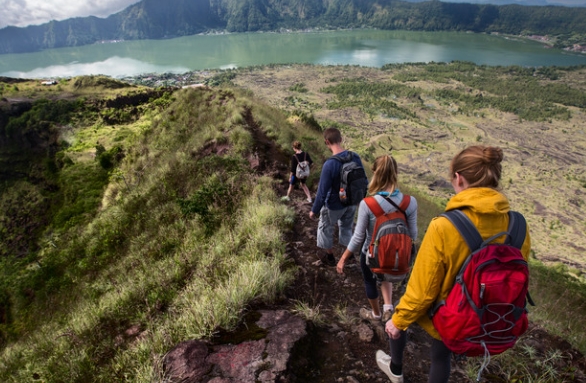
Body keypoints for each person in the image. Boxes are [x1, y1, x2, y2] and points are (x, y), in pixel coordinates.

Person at [376, 145, 531, 383]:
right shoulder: (518, 226)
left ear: (458, 178)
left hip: (451, 317)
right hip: (493, 318)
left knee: (409, 316)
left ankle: (395, 370)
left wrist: (398, 322)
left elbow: (422, 291)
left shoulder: (445, 226)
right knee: (441, 355)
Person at [336, 155, 418, 323]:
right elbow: (413, 235)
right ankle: (388, 307)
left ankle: (376, 314)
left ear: (375, 173)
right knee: (386, 273)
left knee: (370, 281)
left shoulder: (368, 203)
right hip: (396, 256)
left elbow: (358, 236)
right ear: (395, 173)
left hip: (371, 255)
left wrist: (343, 258)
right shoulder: (411, 203)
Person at [309, 127, 365, 266]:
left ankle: (329, 257)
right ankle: (349, 257)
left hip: (334, 205)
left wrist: (314, 210)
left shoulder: (330, 164)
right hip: (352, 202)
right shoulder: (355, 157)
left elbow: (322, 192)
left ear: (327, 142)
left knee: (325, 228)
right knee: (346, 228)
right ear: (340, 139)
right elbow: (363, 181)